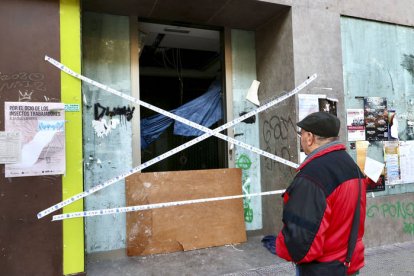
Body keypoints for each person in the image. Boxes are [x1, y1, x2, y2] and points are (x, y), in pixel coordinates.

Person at [275, 111, 367, 276]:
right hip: (350, 264)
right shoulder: (351, 166)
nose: (301, 138)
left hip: (322, 269)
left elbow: (303, 242)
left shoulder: (312, 176)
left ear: (309, 137)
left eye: (301, 134)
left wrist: (281, 246)